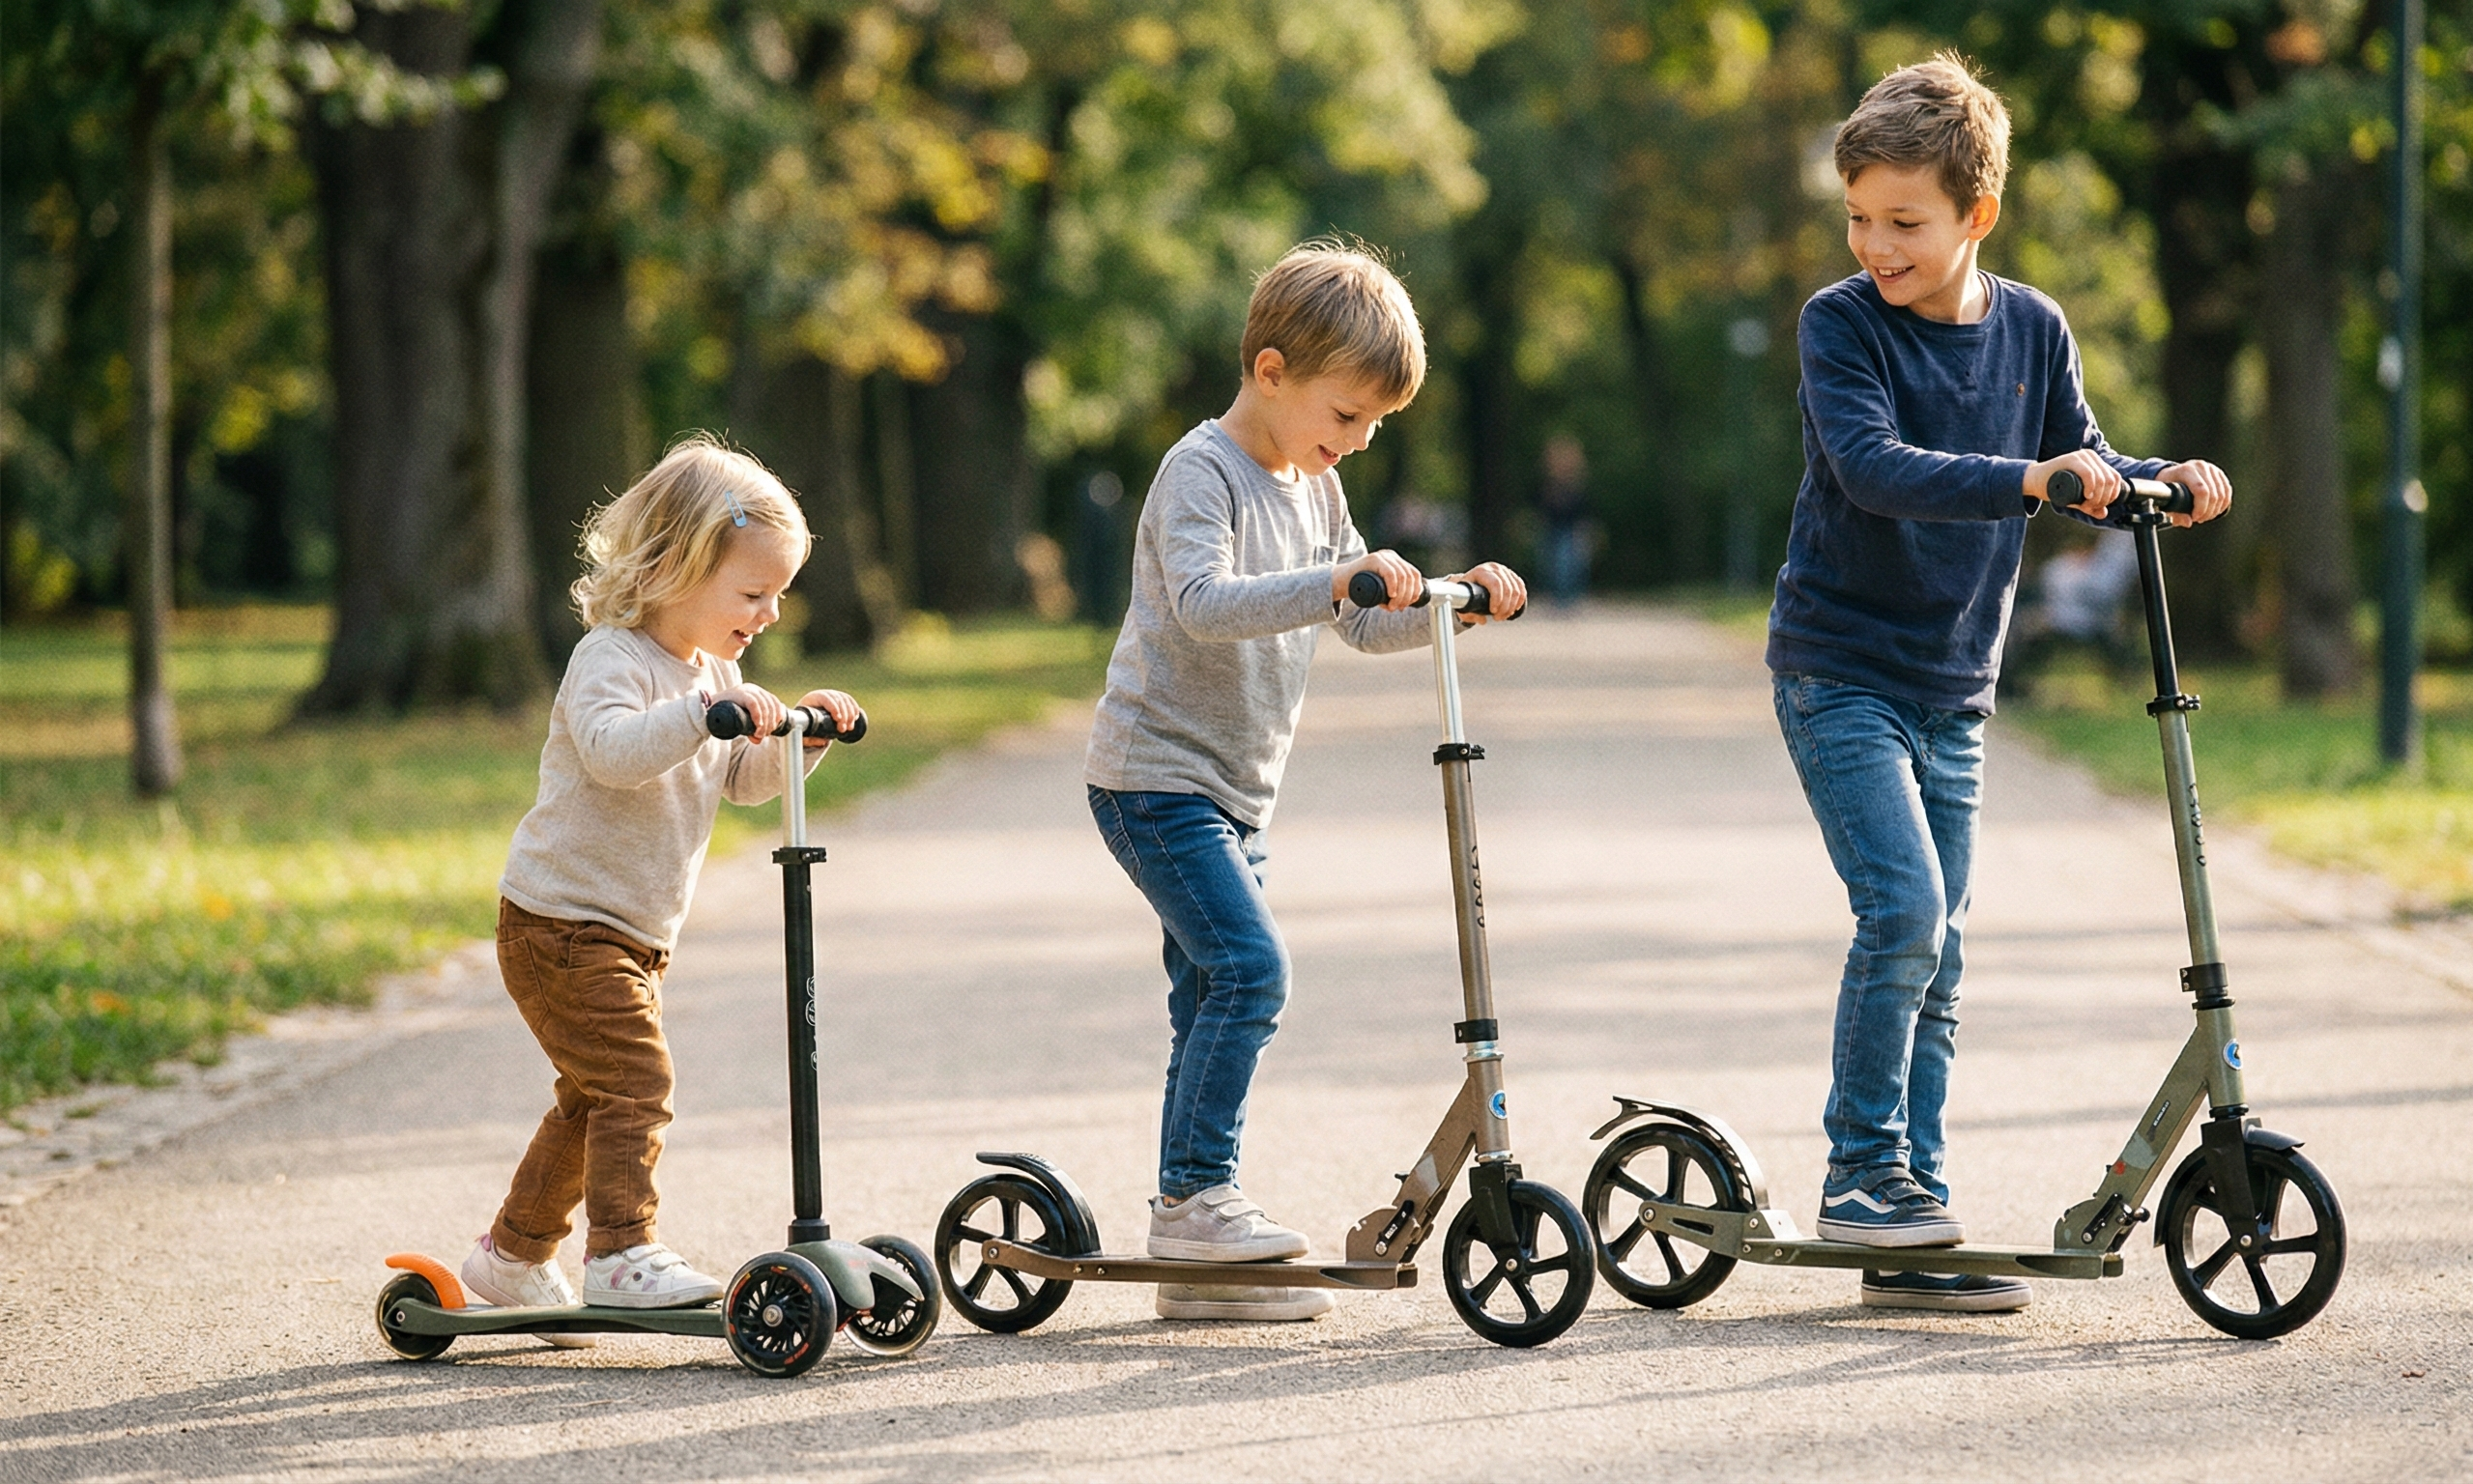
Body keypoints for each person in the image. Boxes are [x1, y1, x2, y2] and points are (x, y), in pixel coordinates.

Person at [1766, 54, 2231, 1314]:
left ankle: (1910, 1208)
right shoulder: (1840, 324)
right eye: (1858, 218)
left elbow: (2080, 462)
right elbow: (1873, 468)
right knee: (1905, 913)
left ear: (1975, 214)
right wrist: (2032, 480)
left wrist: (2162, 479)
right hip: (1838, 670)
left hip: (1953, 685)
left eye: (1903, 222)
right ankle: (1861, 1173)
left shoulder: (2032, 328)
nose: (1874, 245)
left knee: (1944, 951)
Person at [1084, 241, 1527, 1323]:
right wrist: (1336, 578)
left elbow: (1362, 620)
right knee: (1250, 972)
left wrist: (1452, 602)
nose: (1360, 440)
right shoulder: (1201, 469)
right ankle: (1196, 1199)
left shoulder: (1317, 486)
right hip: (1154, 779)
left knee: (1207, 996)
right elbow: (1202, 603)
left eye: (1376, 424)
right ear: (1272, 372)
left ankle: (1193, 1252)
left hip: (1236, 795)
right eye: (1349, 414)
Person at [462, 435, 863, 1342]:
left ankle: (513, 1255)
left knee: (592, 1098)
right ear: (678, 565)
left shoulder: (717, 673)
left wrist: (801, 742)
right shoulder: (611, 658)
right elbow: (614, 754)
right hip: (561, 924)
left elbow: (740, 781)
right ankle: (621, 1251)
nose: (768, 615)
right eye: (751, 594)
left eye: (777, 596)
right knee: (636, 1083)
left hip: (633, 933)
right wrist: (697, 713)